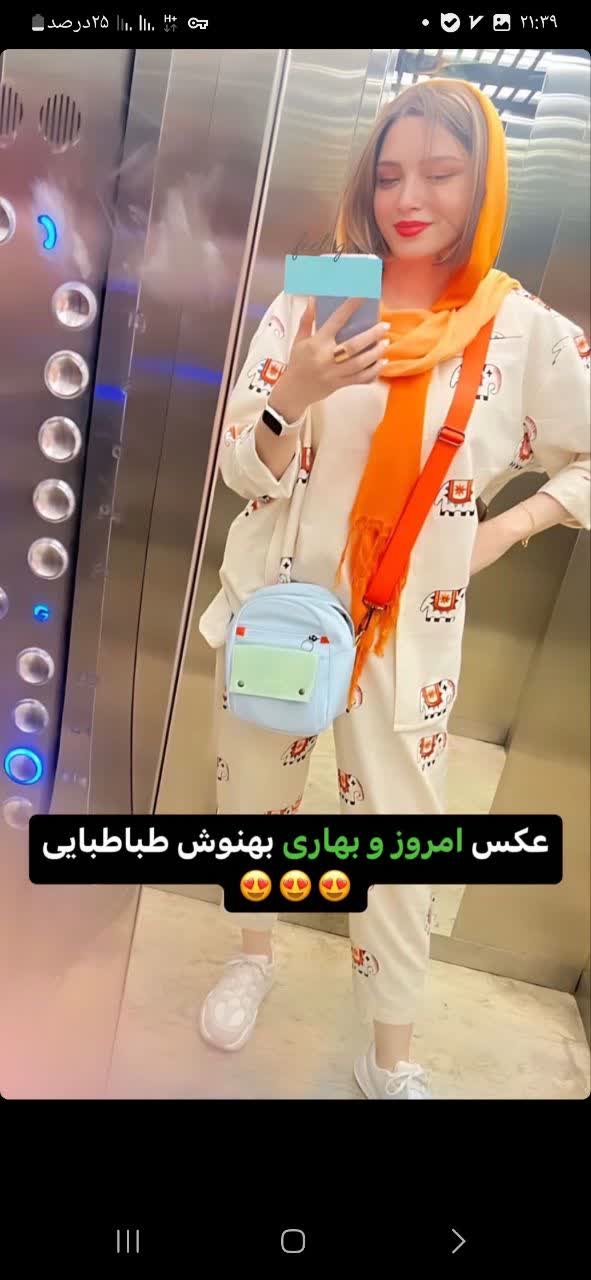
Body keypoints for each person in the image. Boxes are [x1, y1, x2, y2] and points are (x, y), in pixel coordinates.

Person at [197, 79, 591, 1099]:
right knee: (255, 810)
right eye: (388, 174)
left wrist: (510, 526)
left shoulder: (524, 332)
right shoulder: (319, 293)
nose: (408, 198)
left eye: (441, 173)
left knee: (401, 850)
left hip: (408, 634)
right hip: (279, 611)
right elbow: (241, 469)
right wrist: (293, 396)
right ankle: (252, 957)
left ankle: (390, 1055)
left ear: (484, 181)